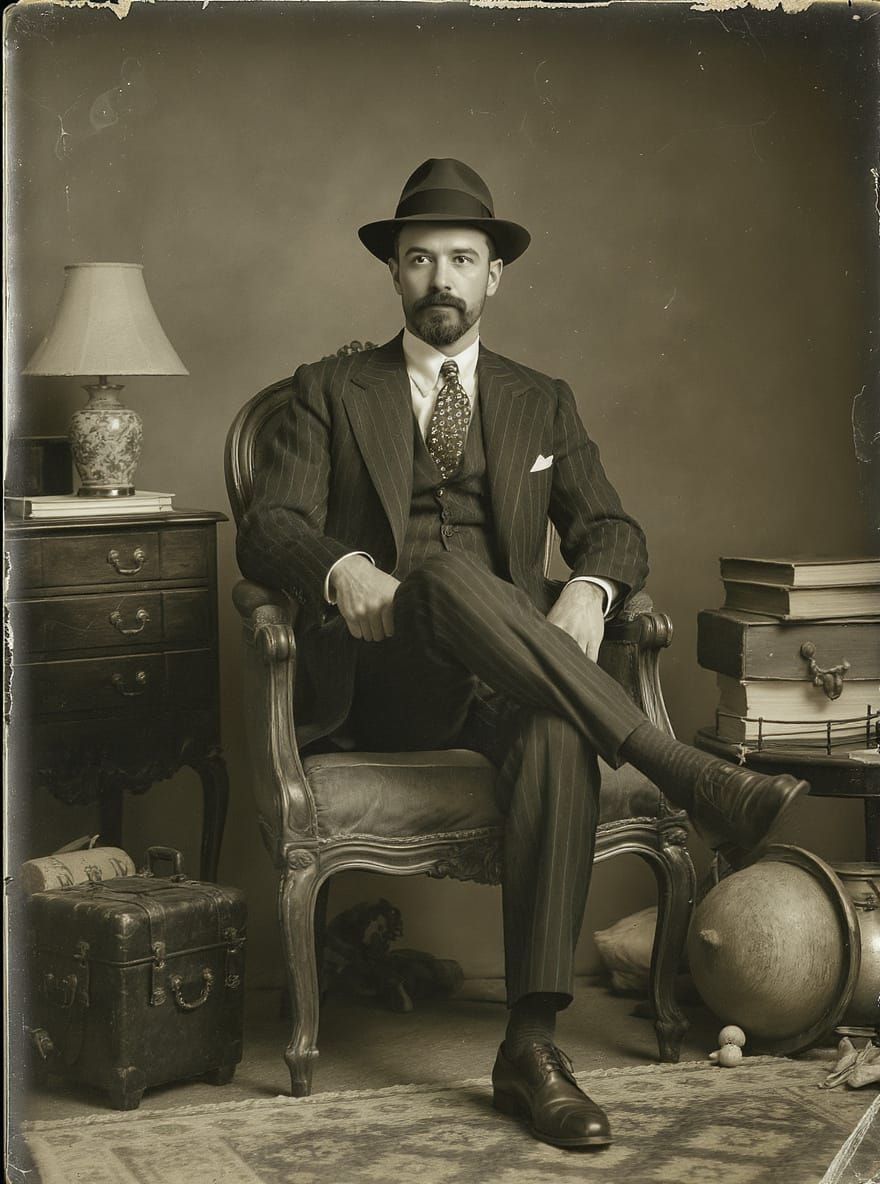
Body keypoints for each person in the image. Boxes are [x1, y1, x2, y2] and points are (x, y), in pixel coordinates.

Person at [236, 158, 808, 1150]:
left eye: (462, 258)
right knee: (451, 574)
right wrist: (341, 569)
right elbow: (267, 526)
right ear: (395, 276)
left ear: (494, 273)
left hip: (508, 676)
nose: (440, 278)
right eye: (420, 261)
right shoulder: (328, 390)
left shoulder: (540, 399)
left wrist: (589, 587)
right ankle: (678, 767)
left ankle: (530, 1047)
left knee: (553, 726)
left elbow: (615, 529)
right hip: (384, 677)